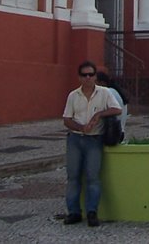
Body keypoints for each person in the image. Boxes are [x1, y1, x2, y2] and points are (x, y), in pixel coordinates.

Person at [62, 61, 122, 227]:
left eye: (90, 74)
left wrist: (99, 115)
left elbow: (117, 109)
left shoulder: (104, 93)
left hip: (95, 140)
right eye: (84, 75)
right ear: (79, 77)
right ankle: (73, 212)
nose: (88, 78)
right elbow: (66, 119)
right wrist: (82, 127)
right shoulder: (73, 95)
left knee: (92, 177)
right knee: (73, 177)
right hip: (75, 139)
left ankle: (92, 212)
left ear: (95, 76)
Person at [95, 71, 128, 136]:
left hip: (111, 134)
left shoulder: (108, 92)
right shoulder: (114, 91)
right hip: (119, 132)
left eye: (95, 83)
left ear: (102, 83)